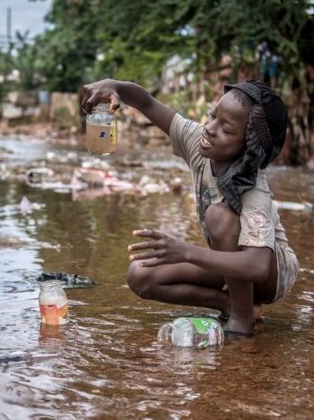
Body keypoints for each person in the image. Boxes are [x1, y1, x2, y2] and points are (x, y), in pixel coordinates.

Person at [81, 78, 300, 336]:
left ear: (248, 150)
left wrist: (186, 251)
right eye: (212, 116)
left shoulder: (254, 190)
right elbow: (147, 102)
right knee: (141, 275)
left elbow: (258, 265)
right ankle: (229, 304)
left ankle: (242, 322)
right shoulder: (198, 142)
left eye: (226, 130)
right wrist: (114, 86)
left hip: (272, 275)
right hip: (233, 264)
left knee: (219, 216)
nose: (209, 128)